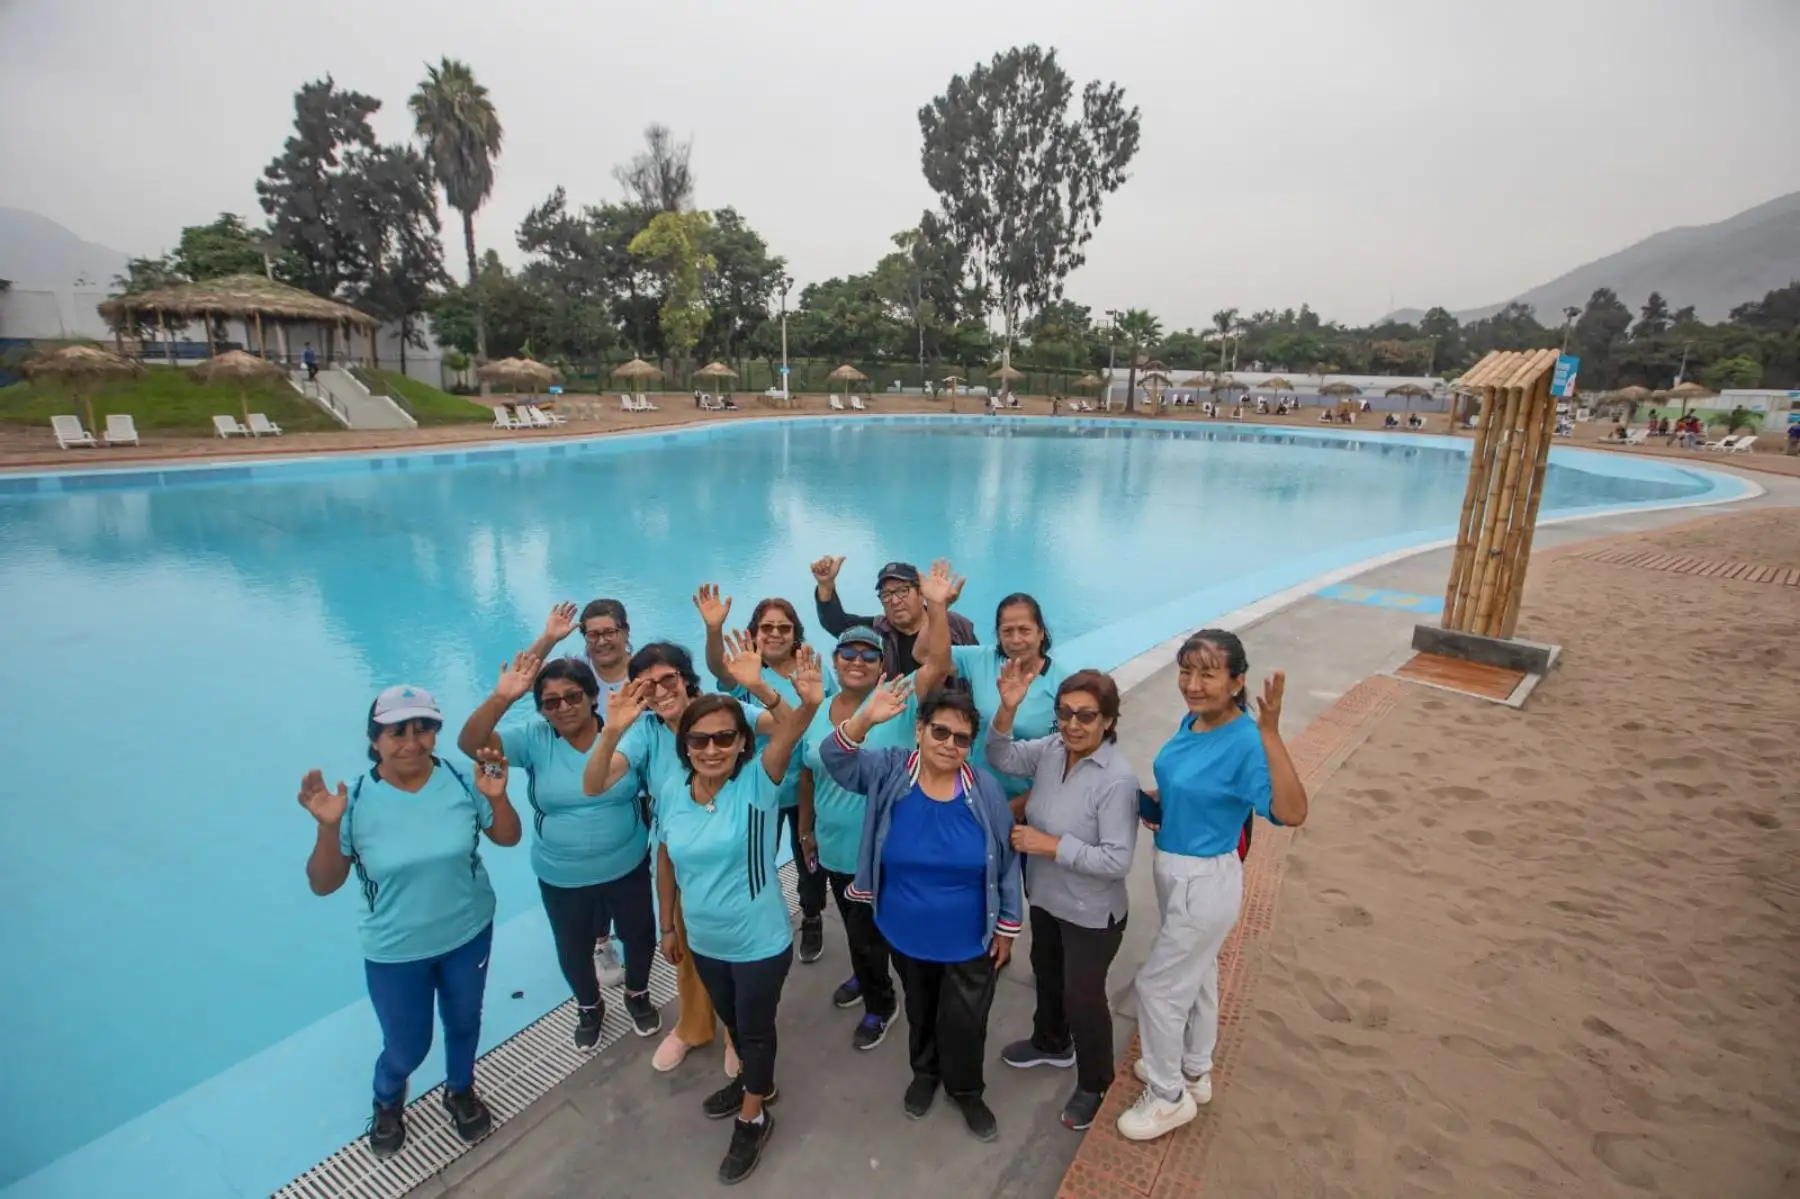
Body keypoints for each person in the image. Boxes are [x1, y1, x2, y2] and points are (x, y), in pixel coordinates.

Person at [299, 685, 522, 1158]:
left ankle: (460, 1090)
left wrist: (499, 798)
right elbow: (323, 884)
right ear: (373, 739)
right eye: (397, 732)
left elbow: (507, 837)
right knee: (407, 1045)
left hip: (468, 931)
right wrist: (327, 828)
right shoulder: (354, 800)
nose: (412, 742)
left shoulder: (462, 779)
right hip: (396, 949)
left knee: (464, 1022)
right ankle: (387, 1097)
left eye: (423, 729)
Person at [1118, 630, 1308, 1143]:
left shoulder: (1247, 742)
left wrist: (1271, 736)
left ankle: (1167, 1097)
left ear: (1237, 681)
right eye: (1186, 671)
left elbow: (1292, 812)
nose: (1193, 684)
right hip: (1176, 868)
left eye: (1208, 673)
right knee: (1198, 976)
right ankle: (1193, 1070)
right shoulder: (1194, 720)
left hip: (1203, 880)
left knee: (1158, 987)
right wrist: (1160, 799)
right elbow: (1192, 781)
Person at [821, 680, 1023, 1143]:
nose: (950, 744)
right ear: (919, 730)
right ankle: (925, 1073)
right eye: (940, 731)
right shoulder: (890, 771)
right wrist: (865, 718)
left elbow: (1006, 861)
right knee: (920, 1007)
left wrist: (1008, 927)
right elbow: (835, 758)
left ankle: (966, 1090)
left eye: (961, 738)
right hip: (904, 928)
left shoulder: (985, 791)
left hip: (970, 934)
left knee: (967, 1019)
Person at [650, 642, 822, 1184]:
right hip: (704, 941)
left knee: (755, 1030)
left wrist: (764, 686)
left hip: (758, 942)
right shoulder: (671, 791)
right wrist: (667, 925)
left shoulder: (758, 779)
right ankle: (755, 1082)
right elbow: (665, 861)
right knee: (735, 1025)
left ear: (743, 742)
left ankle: (753, 1116)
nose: (712, 748)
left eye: (725, 737)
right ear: (684, 745)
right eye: (699, 740)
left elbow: (794, 722)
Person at [583, 641, 796, 1075]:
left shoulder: (720, 712)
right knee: (689, 953)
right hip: (681, 850)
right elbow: (595, 783)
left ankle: (738, 1036)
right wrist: (611, 731)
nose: (660, 691)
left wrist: (758, 685)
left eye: (668, 679)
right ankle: (694, 1027)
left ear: (685, 678)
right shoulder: (645, 730)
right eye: (648, 685)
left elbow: (788, 727)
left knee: (740, 955)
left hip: (734, 845)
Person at [457, 653, 661, 1050]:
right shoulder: (534, 738)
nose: (563, 707)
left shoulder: (623, 729)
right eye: (551, 702)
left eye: (573, 696)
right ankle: (589, 1006)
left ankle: (637, 994)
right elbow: (470, 744)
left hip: (627, 863)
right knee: (572, 946)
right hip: (561, 872)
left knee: (639, 936)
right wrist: (502, 697)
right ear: (541, 710)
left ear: (592, 697)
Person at [794, 562, 956, 1049]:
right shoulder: (816, 711)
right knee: (858, 931)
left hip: (892, 848)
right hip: (838, 846)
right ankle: (876, 992)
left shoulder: (901, 699)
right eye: (849, 652)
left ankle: (907, 1004)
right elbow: (807, 773)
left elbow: (938, 665)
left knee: (898, 933)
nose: (858, 660)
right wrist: (805, 830)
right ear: (836, 661)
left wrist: (936, 607)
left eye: (869, 654)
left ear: (882, 665)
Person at [987, 665, 1139, 1131]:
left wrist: (1050, 845)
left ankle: (1095, 1082)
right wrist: (1007, 708)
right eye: (1065, 713)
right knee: (1047, 974)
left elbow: (1117, 860)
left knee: (1083, 998)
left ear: (1108, 720)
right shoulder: (1053, 750)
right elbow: (1001, 756)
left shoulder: (1117, 779)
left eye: (1086, 716)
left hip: (1091, 913)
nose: (1073, 724)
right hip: (1047, 897)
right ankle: (1051, 1043)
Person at [697, 587, 833, 965]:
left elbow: (830, 715)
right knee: (755, 856)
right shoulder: (747, 670)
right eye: (767, 627)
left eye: (783, 627)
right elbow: (718, 668)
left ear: (795, 632)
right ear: (754, 633)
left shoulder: (811, 670)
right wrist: (714, 629)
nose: (775, 633)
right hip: (760, 789)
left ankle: (811, 916)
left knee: (809, 856)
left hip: (807, 785)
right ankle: (759, 916)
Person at [525, 598, 634, 986]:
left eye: (609, 632)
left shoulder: (643, 672)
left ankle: (657, 935)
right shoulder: (577, 676)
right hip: (588, 779)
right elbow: (527, 681)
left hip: (638, 781)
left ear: (625, 632)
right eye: (592, 634)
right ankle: (602, 943)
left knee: (636, 870)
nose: (601, 641)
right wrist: (548, 639)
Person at [947, 592, 1068, 816]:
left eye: (1024, 630)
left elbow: (1070, 759)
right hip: (975, 795)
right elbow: (927, 656)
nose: (1016, 639)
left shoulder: (1062, 684)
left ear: (1041, 632)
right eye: (1007, 631)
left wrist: (1020, 805)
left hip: (1032, 807)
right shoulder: (980, 660)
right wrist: (937, 608)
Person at [811, 555, 978, 679]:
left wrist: (938, 606)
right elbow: (835, 622)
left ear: (921, 593)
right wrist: (825, 585)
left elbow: (978, 669)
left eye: (902, 591)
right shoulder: (876, 631)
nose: (895, 601)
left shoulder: (956, 626)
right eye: (886, 595)